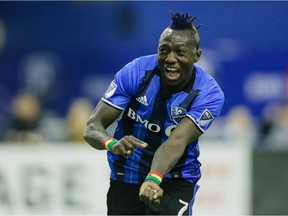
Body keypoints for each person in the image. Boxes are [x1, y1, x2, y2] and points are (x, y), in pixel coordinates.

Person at [83, 12, 224, 215]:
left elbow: (177, 140)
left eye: (180, 52)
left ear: (197, 56)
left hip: (175, 180)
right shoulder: (136, 72)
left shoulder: (208, 93)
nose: (170, 59)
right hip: (127, 175)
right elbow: (92, 126)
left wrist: (154, 177)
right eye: (164, 50)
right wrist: (111, 144)